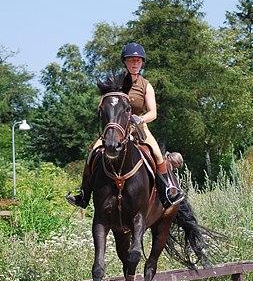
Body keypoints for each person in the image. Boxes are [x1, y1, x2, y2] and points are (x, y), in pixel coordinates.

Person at [66, 42, 184, 209]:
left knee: (157, 154)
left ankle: (168, 192)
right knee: (92, 153)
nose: (135, 63)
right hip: (116, 129)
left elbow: (153, 113)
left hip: (138, 129)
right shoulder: (116, 83)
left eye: (138, 60)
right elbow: (105, 104)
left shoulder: (146, 85)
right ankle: (84, 194)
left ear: (142, 63)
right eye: (131, 60)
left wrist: (141, 120)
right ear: (125, 62)